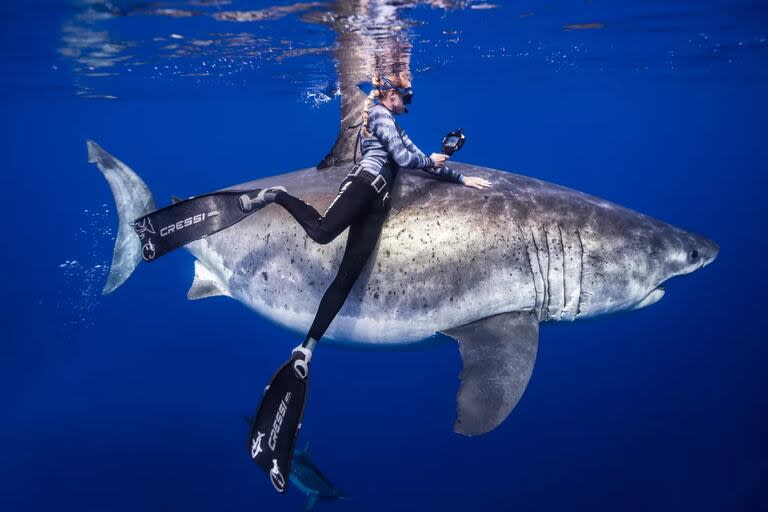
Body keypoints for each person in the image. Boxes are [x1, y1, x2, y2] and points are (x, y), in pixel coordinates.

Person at [238, 72, 492, 369]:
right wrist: (431, 161)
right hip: (362, 185)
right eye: (407, 96)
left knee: (347, 278)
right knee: (321, 232)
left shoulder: (396, 126)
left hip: (379, 203)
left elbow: (423, 163)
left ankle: (307, 348)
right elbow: (405, 160)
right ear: (391, 94)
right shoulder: (379, 116)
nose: (408, 103)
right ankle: (278, 195)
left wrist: (462, 179)